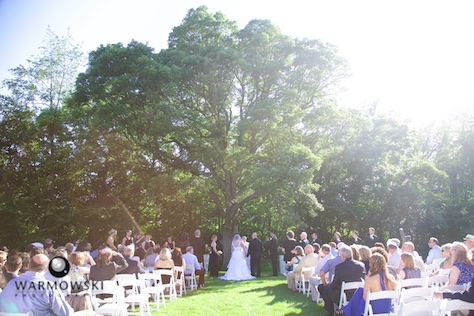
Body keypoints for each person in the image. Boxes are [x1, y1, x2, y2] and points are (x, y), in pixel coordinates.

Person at [0, 253, 74, 315]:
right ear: (47, 269)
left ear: (28, 265)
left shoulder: (11, 283)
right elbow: (66, 313)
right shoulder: (49, 287)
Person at [318, 245, 366, 315]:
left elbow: (334, 285)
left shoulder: (340, 267)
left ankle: (331, 311)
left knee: (323, 287)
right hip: (358, 294)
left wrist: (327, 284)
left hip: (343, 295)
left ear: (343, 256)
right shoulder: (361, 265)